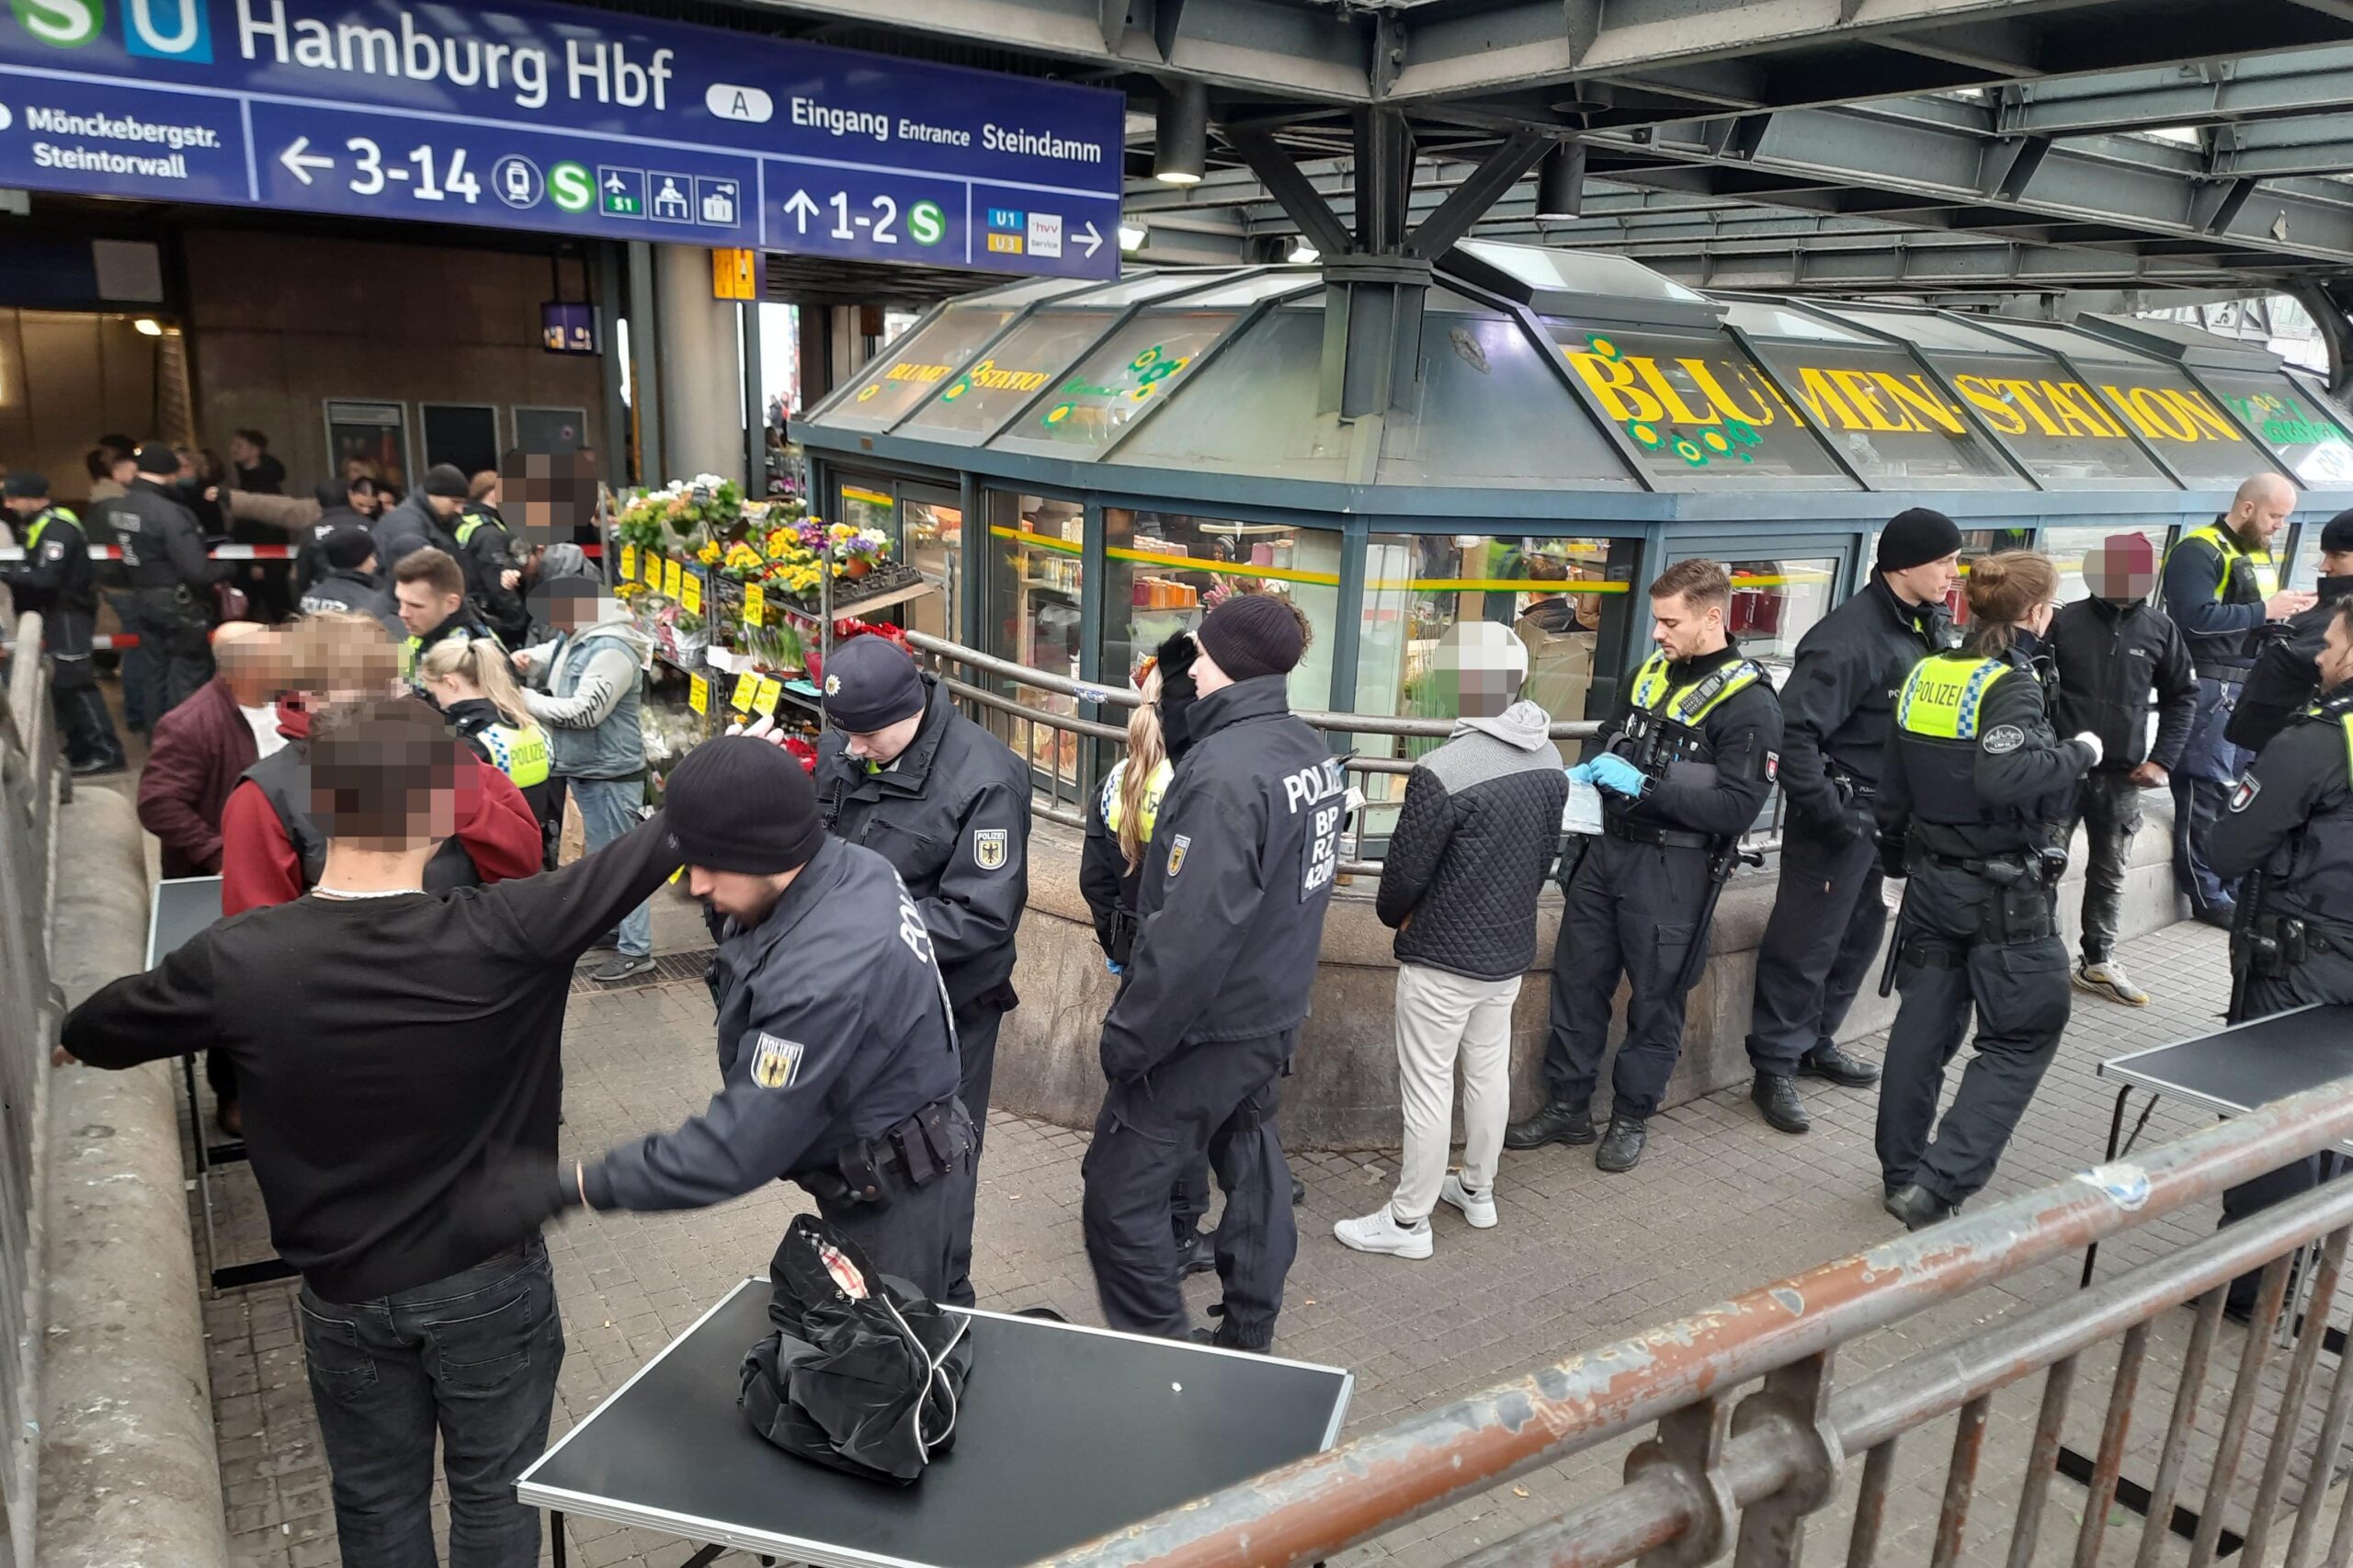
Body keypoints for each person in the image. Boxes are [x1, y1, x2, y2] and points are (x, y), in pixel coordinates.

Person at [60, 696, 682, 1568]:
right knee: (496, 1493)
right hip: (489, 1281)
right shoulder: (511, 932)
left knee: (375, 1501)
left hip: (341, 1290)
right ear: (440, 807)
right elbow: (659, 843)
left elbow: (99, 1028)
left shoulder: (240, 959)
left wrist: (64, 1042)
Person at [526, 733, 978, 1301]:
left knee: (888, 1367)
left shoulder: (822, 975)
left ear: (768, 852)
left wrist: (582, 1184)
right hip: (899, 1162)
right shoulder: (852, 866)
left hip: (900, 1197)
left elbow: (737, 1146)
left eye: (713, 866)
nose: (697, 886)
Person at [1083, 594, 1339, 1351]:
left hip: (1203, 1029)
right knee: (1251, 1157)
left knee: (1118, 1193)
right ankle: (1250, 1334)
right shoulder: (1304, 749)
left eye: (1192, 652)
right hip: (1270, 1010)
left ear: (1211, 661)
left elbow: (1189, 936)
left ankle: (1168, 1363)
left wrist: (1129, 1042)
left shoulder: (1225, 777)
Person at [1506, 559, 1783, 1171]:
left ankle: (1631, 1116)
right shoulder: (1651, 672)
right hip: (1608, 852)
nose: (1657, 633)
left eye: (1668, 621)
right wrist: (1589, 769)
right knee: (1578, 984)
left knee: (1657, 999)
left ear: (1713, 616)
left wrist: (1646, 788)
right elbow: (1611, 734)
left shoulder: (1750, 704)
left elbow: (1737, 807)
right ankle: (1567, 1108)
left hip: (1674, 869)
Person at [1875, 551, 2097, 1231]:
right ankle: (1938, 1186)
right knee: (2024, 1032)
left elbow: (1892, 784)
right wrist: (2080, 751)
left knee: (1922, 1028)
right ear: (2036, 613)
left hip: (1931, 881)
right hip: (2002, 893)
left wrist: (1893, 862)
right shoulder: (2012, 684)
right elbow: (2006, 779)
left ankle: (1901, 1170)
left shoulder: (1927, 671)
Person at [811, 635, 1029, 1302]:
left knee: (939, 1163)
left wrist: (854, 928)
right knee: (861, 1155)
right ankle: (866, 1286)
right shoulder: (850, 742)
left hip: (949, 1010)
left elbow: (980, 918)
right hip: (860, 1005)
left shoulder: (986, 778)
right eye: (840, 734)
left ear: (909, 711)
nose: (848, 752)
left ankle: (941, 1298)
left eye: (864, 736)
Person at [1337, 623, 1566, 1256]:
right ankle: (1478, 1189)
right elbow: (1543, 855)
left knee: (1429, 1086)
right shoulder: (1550, 759)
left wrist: (1397, 918)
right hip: (1507, 951)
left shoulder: (1443, 770)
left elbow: (1403, 878)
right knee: (1487, 1072)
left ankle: (1408, 1221)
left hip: (1442, 956)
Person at [1740, 509, 1961, 1135]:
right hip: (1842, 813)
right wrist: (1832, 814)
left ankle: (1817, 1041)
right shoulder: (1848, 635)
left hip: (1891, 817)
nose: (1953, 572)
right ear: (1905, 564)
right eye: (1944, 560)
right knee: (1806, 944)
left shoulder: (1927, 626)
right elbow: (1795, 735)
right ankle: (1775, 1066)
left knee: (1860, 936)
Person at [2208, 595, 2353, 1315]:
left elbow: (2226, 846)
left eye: (2331, 644)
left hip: (2305, 958)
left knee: (2275, 1121)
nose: (2322, 657)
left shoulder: (2321, 741)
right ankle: (2302, 1273)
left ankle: (2249, 1291)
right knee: (2337, 1116)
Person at [221, 615, 543, 915]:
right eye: (373, 687)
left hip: (458, 961)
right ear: (306, 695)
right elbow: (257, 935)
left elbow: (522, 866)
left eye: (396, 684)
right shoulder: (264, 797)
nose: (397, 698)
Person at [1079, 635, 1216, 1278]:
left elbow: (1094, 877)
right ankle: (1181, 1226)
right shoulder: (1197, 780)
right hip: (1187, 962)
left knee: (1145, 1089)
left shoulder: (1117, 780)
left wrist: (1118, 949)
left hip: (1135, 955)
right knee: (1184, 1094)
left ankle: (1131, 1202)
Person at [2045, 533, 2197, 1006]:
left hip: (2123, 776)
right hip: (2060, 770)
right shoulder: (2063, 622)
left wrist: (2163, 761)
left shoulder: (2160, 629)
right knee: (2042, 865)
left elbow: (2183, 697)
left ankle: (2098, 960)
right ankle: (2040, 957)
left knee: (2110, 870)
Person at [2161, 473, 2315, 926]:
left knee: (2240, 789)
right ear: (2247, 508)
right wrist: (2265, 611)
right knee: (2203, 789)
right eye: (2274, 516)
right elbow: (2192, 619)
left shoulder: (2254, 552)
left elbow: (2254, 619)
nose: (2279, 527)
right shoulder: (2198, 550)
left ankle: (2230, 886)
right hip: (2209, 684)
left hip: (2249, 684)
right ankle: (2207, 895)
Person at [513, 581, 655, 983]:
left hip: (612, 773)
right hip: (590, 768)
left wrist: (521, 697)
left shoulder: (611, 650)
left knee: (622, 866)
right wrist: (527, 660)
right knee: (603, 859)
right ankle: (615, 930)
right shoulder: (576, 638)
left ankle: (636, 950)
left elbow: (585, 711)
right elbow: (551, 660)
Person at [0, 472, 127, 775]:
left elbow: (45, 577)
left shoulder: (57, 528)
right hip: (60, 613)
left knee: (76, 683)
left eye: (14, 498)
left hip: (69, 613)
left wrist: (5, 573)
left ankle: (106, 751)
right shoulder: (42, 523)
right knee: (63, 683)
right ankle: (80, 746)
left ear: (33, 498)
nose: (9, 504)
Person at [105, 441, 229, 721]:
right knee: (189, 674)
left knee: (155, 674)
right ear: (170, 473)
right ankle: (187, 744)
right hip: (179, 604)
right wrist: (227, 568)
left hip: (145, 597)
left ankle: (156, 739)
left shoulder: (123, 506)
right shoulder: (169, 512)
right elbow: (197, 570)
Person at [418, 634, 559, 867]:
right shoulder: (529, 725)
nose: (436, 702)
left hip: (485, 864)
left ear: (450, 683)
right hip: (533, 853)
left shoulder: (469, 740)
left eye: (434, 692)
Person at [2228, 509, 2353, 756]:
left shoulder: (2340, 616)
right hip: (2279, 744)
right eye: (2325, 554)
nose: (2324, 566)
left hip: (2304, 752)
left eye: (2338, 555)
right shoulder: (2328, 607)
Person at [392, 546, 497, 688]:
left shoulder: (465, 657)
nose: (403, 613)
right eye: (400, 601)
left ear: (451, 604)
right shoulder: (425, 629)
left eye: (416, 606)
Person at [457, 468, 526, 643]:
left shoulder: (467, 521)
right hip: (493, 617)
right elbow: (498, 581)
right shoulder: (489, 533)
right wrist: (517, 622)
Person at [298, 524, 402, 638]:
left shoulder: (309, 596)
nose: (375, 563)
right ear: (357, 559)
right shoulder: (369, 603)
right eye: (371, 556)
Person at [372, 462, 467, 574]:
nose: (459, 510)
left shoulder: (433, 518)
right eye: (455, 502)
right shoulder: (407, 523)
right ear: (433, 495)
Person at [293, 476, 381, 594]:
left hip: (325, 592)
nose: (367, 511)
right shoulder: (371, 526)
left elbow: (302, 573)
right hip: (366, 592)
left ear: (319, 501)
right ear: (349, 496)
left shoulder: (312, 531)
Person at [227, 428, 285, 495]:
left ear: (255, 450)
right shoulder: (238, 472)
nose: (232, 448)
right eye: (232, 444)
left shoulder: (266, 483)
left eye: (239, 446)